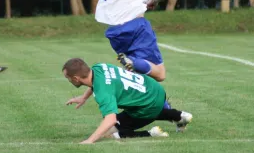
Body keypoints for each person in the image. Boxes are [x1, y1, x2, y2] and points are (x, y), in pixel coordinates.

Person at [63, 58, 192, 144]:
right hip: (154, 89)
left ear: (76, 78)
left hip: (149, 104)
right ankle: (180, 116)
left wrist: (90, 140)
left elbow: (110, 119)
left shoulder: (103, 92)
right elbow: (95, 83)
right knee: (136, 109)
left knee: (107, 133)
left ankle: (151, 133)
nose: (68, 80)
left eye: (68, 78)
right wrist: (83, 97)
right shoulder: (99, 67)